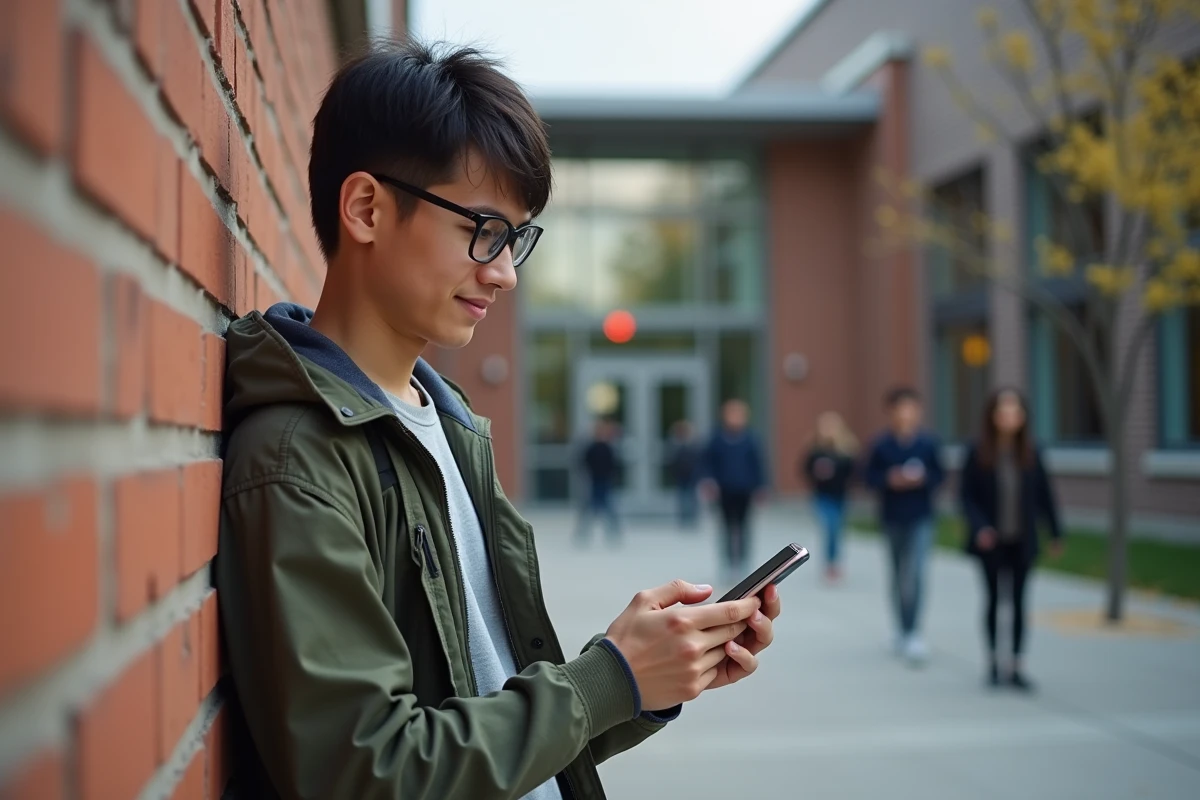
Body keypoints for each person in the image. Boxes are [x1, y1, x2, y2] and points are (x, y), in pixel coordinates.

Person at [214, 39, 782, 800]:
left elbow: (489, 701)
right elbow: (365, 772)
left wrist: (649, 677)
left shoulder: (446, 425)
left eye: (515, 239)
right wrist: (606, 678)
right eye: (482, 229)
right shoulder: (300, 458)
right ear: (366, 209)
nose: (505, 271)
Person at [959, 387, 1064, 691]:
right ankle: (992, 662)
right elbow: (966, 497)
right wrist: (980, 527)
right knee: (993, 601)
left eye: (1015, 411)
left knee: (1019, 603)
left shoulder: (1032, 452)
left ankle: (1016, 665)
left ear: (1023, 417)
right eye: (1003, 411)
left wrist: (1055, 532)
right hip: (991, 542)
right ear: (992, 416)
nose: (1009, 417)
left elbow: (1045, 495)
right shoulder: (977, 452)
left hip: (1022, 540)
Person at [865, 387, 944, 665]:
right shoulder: (881, 444)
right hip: (892, 517)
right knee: (898, 575)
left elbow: (939, 475)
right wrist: (890, 479)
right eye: (901, 408)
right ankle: (900, 628)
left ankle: (914, 632)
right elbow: (868, 478)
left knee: (918, 573)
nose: (906, 414)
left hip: (921, 516)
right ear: (891, 411)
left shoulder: (927, 443)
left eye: (911, 408)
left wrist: (921, 480)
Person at [701, 400, 767, 586]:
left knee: (744, 527)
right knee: (727, 528)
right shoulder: (717, 439)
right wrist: (708, 482)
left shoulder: (751, 439)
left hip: (745, 490)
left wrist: (761, 487)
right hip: (724, 491)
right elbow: (707, 463)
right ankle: (729, 564)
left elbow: (759, 465)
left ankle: (744, 563)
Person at [802, 412, 859, 583]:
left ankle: (834, 561)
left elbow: (853, 472)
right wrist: (817, 474)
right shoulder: (815, 451)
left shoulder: (845, 451)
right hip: (822, 495)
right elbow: (805, 470)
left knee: (836, 529)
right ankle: (829, 562)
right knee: (829, 525)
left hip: (840, 495)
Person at [577, 417, 622, 545]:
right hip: (594, 481)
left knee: (609, 508)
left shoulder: (608, 447)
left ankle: (613, 533)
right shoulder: (592, 448)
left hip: (605, 481)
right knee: (589, 509)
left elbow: (613, 464)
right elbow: (584, 462)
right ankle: (582, 533)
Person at [666, 419, 703, 529]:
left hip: (692, 475)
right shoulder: (676, 445)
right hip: (681, 475)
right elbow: (672, 461)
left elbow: (699, 461)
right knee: (682, 497)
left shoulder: (694, 445)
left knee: (691, 497)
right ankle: (684, 519)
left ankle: (692, 518)